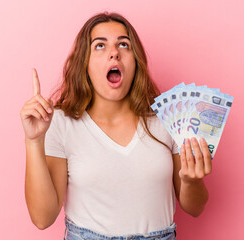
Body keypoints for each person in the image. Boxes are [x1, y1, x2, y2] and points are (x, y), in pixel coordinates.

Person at [20, 12, 212, 240]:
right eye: (100, 46)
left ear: (136, 60)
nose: (114, 53)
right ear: (85, 64)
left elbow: (195, 208)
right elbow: (43, 218)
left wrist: (192, 180)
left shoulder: (166, 119)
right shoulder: (61, 122)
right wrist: (34, 141)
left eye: (124, 44)